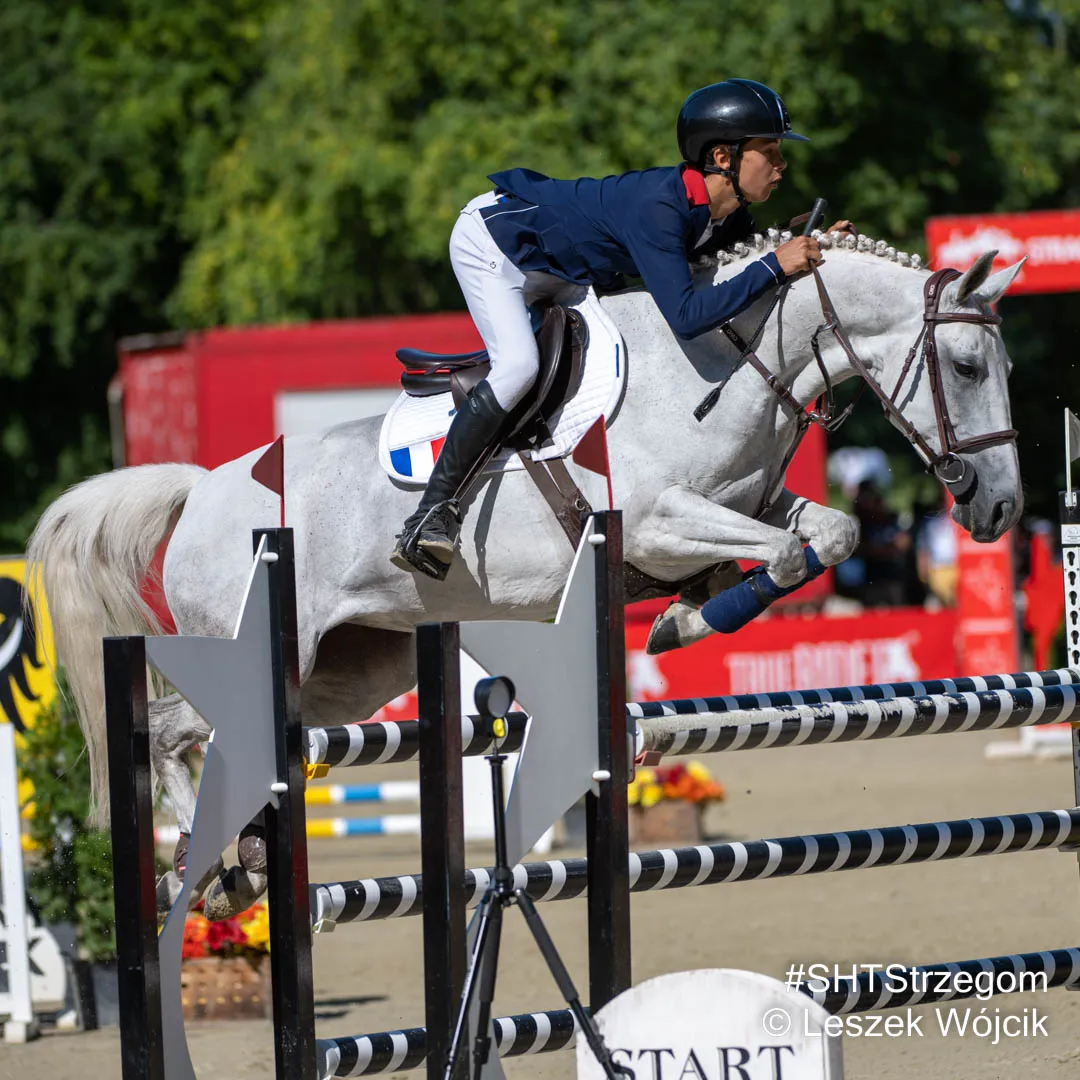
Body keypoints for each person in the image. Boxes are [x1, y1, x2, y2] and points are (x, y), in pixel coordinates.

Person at [391, 78, 853, 577]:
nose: (781, 164)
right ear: (723, 156)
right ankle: (431, 515)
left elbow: (733, 283)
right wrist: (774, 266)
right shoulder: (659, 208)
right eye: (770, 150)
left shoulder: (729, 215)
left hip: (567, 271)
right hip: (497, 248)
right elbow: (690, 316)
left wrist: (803, 247)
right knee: (520, 366)